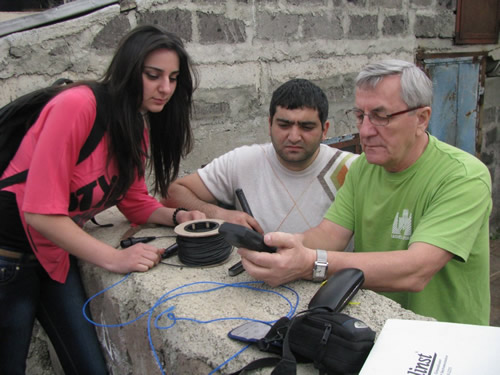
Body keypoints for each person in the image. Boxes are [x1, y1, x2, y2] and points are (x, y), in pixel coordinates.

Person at [0, 25, 205, 374]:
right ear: (129, 69)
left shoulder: (134, 125)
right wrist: (115, 258)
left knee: (90, 367)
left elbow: (135, 201)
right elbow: (39, 212)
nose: (166, 88)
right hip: (8, 260)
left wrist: (178, 217)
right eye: (153, 75)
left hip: (54, 258)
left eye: (172, 78)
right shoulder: (77, 105)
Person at [237, 60, 492, 326]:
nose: (366, 131)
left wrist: (309, 262)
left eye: (382, 117)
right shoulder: (362, 168)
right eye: (360, 116)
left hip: (447, 340)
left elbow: (417, 271)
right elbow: (330, 235)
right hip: (380, 326)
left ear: (421, 118)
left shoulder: (463, 177)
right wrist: (283, 246)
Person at [162, 78, 358, 234]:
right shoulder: (242, 161)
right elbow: (172, 193)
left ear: (325, 130)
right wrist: (220, 214)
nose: (294, 136)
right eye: (284, 125)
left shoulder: (351, 169)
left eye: (306, 127)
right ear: (270, 124)